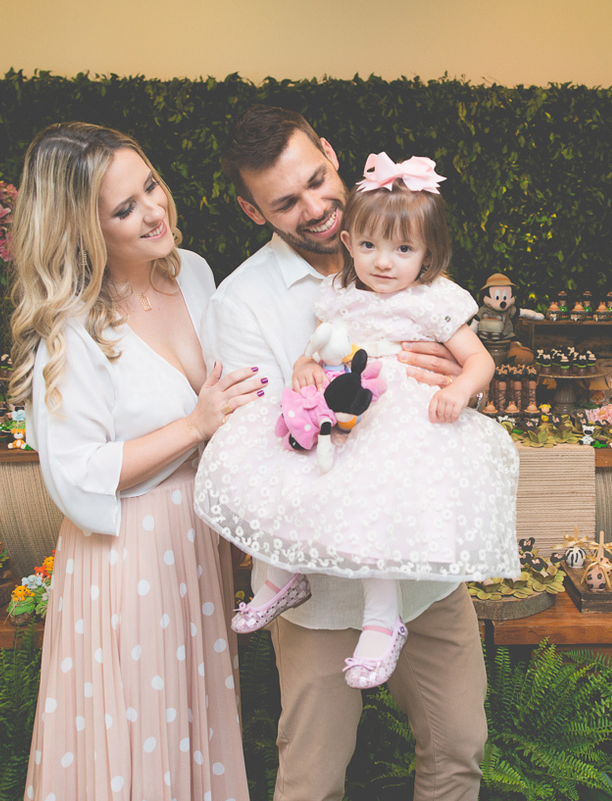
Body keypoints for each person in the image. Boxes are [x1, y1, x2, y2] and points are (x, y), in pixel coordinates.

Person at [197, 106, 508, 801]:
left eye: (316, 179)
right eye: (287, 201)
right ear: (255, 211)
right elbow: (261, 447)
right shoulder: (242, 303)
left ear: (332, 153)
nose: (315, 207)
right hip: (317, 583)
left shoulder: (407, 244)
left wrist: (446, 389)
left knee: (459, 744)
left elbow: (468, 376)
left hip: (421, 565)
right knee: (312, 774)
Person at [9, 122, 259, 801]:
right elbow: (75, 472)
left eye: (150, 184)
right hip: (128, 555)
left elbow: (233, 394)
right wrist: (194, 424)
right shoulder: (72, 328)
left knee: (193, 717)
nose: (154, 210)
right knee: (139, 725)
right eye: (125, 208)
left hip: (198, 540)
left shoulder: (197, 274)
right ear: (84, 229)